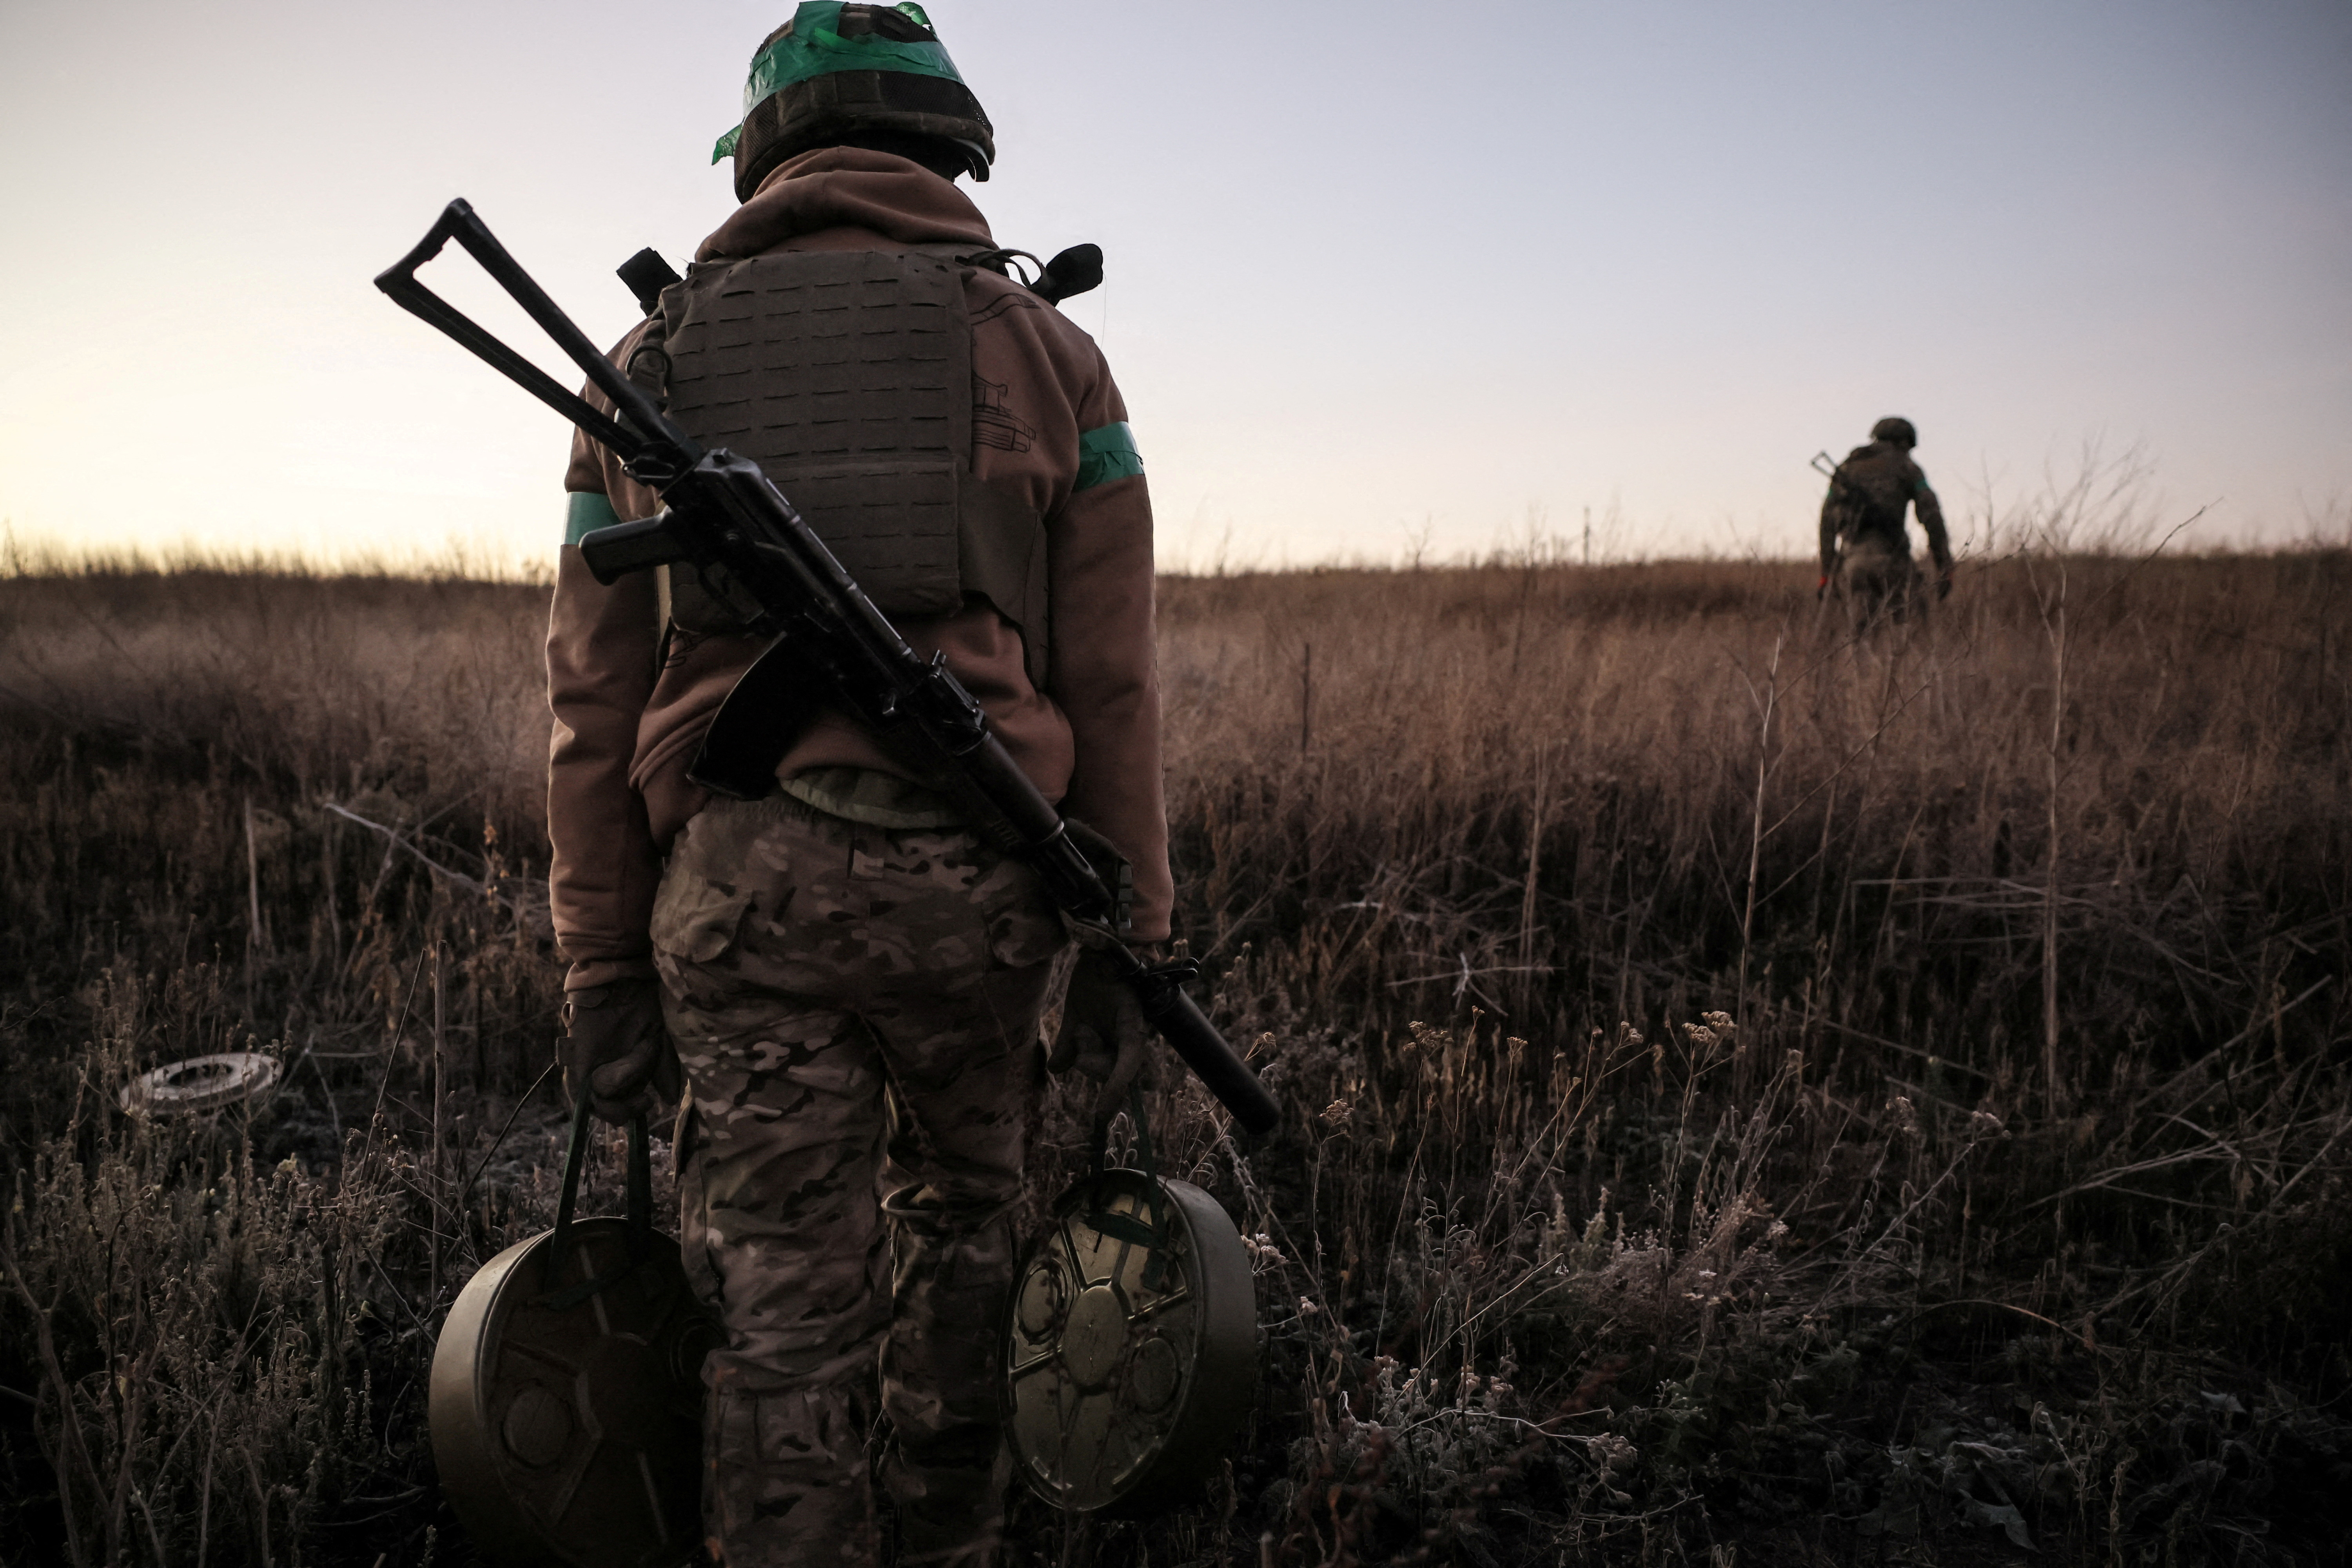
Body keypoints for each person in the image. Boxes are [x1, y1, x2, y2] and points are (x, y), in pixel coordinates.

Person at [543, 6, 1171, 1564]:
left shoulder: (644, 364)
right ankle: (945, 1540)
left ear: (763, 153)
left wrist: (600, 960)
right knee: (966, 1222)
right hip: (981, 882)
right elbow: (1113, 683)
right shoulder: (1055, 354)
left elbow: (591, 702)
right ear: (949, 143)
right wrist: (1135, 935)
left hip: (735, 895)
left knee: (779, 1303)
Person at [1818, 416, 1953, 624]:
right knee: (1914, 630)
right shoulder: (1908, 467)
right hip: (1893, 560)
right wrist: (1945, 567)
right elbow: (1932, 517)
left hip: (1852, 564)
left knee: (1859, 634)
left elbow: (1827, 522)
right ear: (1904, 442)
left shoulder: (1847, 468)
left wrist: (1827, 574)